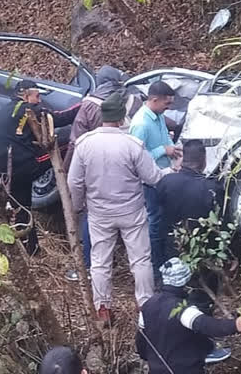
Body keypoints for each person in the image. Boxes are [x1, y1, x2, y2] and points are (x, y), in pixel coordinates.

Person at [67, 92, 174, 322]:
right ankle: (145, 305)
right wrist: (170, 172)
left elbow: (74, 181)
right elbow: (153, 177)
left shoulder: (85, 143)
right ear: (121, 118)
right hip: (131, 212)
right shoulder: (132, 145)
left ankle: (102, 308)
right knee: (140, 260)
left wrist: (78, 206)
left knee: (100, 261)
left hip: (99, 213)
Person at [62, 65, 142, 283]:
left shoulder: (89, 105)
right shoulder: (133, 100)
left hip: (95, 174)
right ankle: (133, 270)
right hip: (127, 172)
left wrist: (65, 169)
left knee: (92, 221)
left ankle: (90, 267)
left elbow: (75, 142)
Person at [0, 80, 79, 255]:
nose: (39, 100)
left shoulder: (3, 111)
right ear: (26, 95)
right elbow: (61, 117)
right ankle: (73, 171)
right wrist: (85, 105)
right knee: (68, 143)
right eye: (37, 96)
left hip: (5, 169)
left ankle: (31, 249)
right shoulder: (29, 109)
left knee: (22, 208)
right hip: (25, 166)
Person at [136, 258, 241, 374]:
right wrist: (235, 325)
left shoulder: (148, 305)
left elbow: (141, 340)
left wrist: (149, 358)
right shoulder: (182, 309)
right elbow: (207, 325)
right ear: (186, 283)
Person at [155, 139, 223, 312]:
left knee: (172, 294)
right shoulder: (212, 188)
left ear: (183, 158)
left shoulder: (166, 182)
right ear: (204, 160)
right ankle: (200, 324)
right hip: (203, 253)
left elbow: (157, 215)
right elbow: (221, 223)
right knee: (202, 298)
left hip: (172, 248)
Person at [130, 81, 182, 281]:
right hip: (150, 183)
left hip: (166, 175)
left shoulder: (158, 116)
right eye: (166, 104)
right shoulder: (140, 124)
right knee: (154, 223)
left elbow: (165, 141)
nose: (168, 108)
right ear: (154, 100)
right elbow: (136, 159)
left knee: (166, 222)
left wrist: (174, 152)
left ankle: (168, 261)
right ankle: (155, 267)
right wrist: (163, 151)